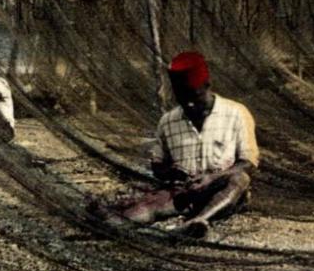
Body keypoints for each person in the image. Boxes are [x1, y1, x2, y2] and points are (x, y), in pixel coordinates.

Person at [100, 51, 259, 238]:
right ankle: (108, 222)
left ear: (207, 86)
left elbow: (249, 162)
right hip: (183, 192)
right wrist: (172, 172)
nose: (189, 104)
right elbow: (158, 165)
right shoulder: (168, 121)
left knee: (240, 179)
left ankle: (197, 221)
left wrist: (212, 178)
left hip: (220, 189)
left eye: (194, 96)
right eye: (182, 99)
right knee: (145, 208)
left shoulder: (236, 113)